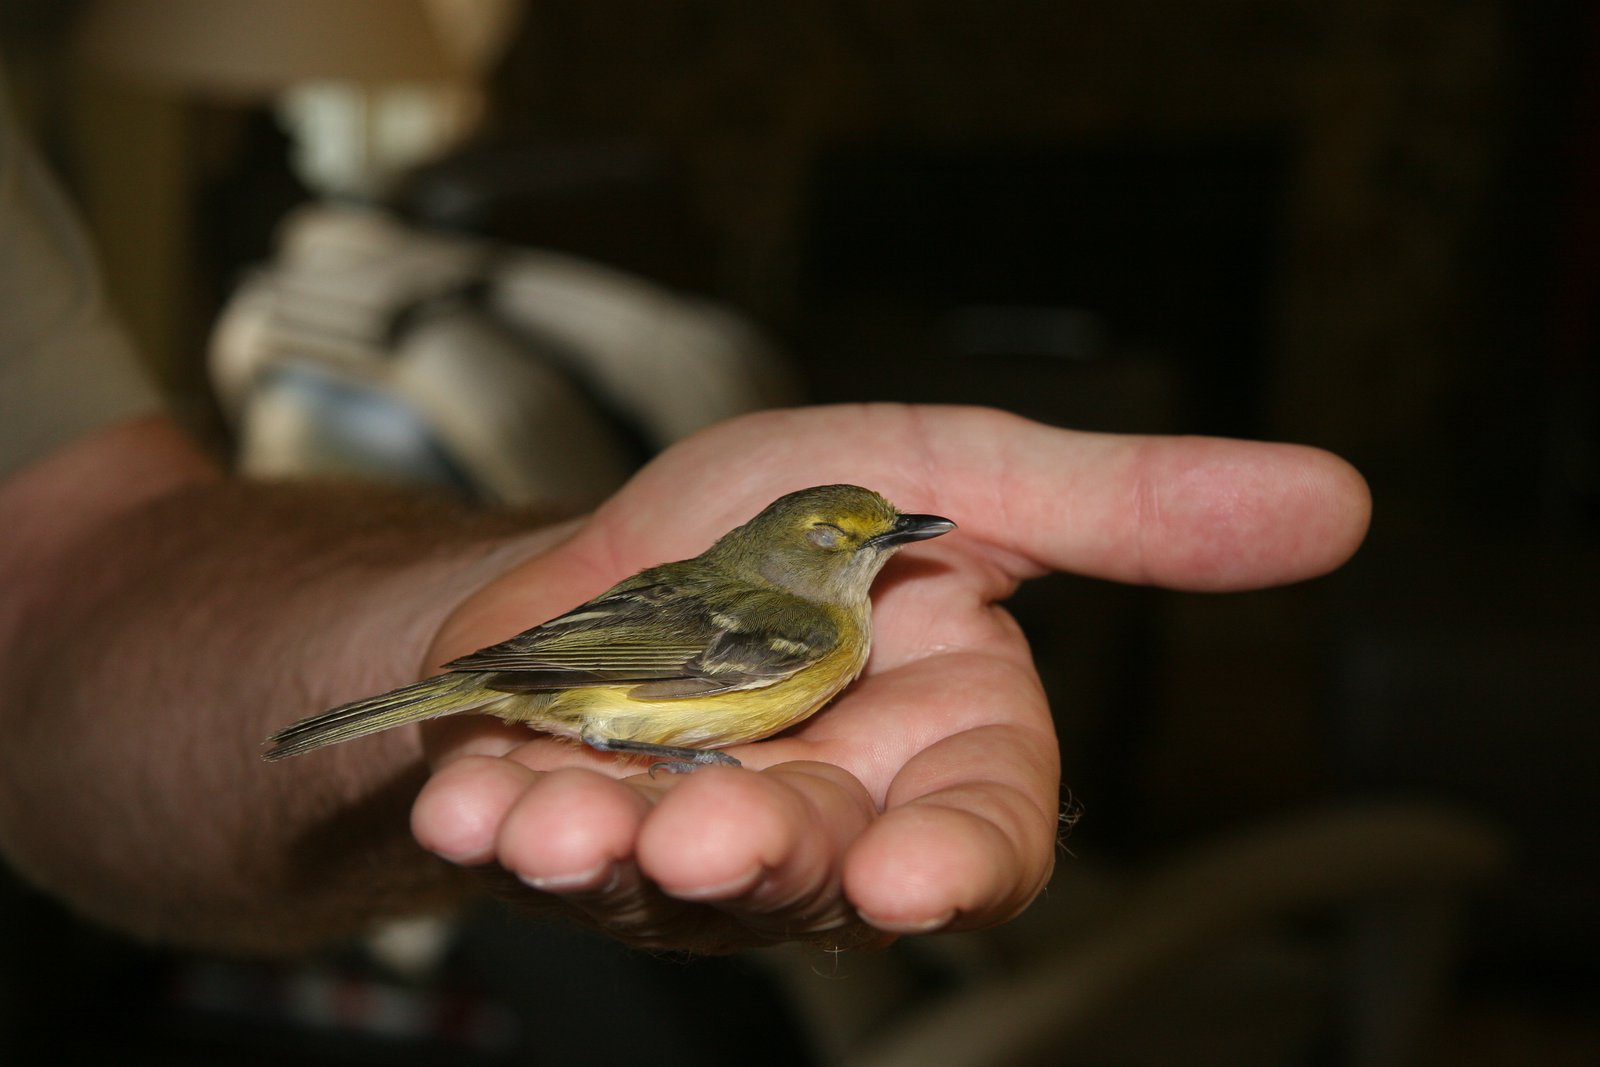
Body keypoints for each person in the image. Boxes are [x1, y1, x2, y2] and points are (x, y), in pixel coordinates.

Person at [0, 75, 1371, 958]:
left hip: (573, 667)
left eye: (877, 534)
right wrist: (609, 718)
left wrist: (499, 651)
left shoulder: (802, 612)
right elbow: (635, 657)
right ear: (801, 555)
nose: (878, 549)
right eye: (853, 539)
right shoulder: (805, 638)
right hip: (601, 685)